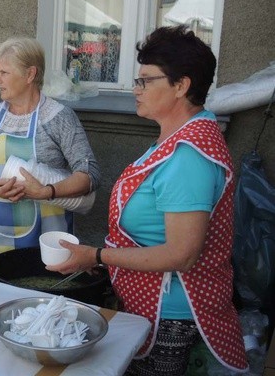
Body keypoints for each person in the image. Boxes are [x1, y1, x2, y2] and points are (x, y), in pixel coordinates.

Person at [46, 26, 248, 375]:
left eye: (145, 81)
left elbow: (181, 254)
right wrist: (107, 260)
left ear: (181, 85)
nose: (135, 90)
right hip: (149, 303)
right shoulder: (177, 136)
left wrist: (96, 255)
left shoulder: (189, 156)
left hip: (173, 317)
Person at [0, 37, 100, 268]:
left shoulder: (58, 118)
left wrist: (47, 191)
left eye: (4, 73)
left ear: (29, 75)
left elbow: (90, 175)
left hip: (46, 242)